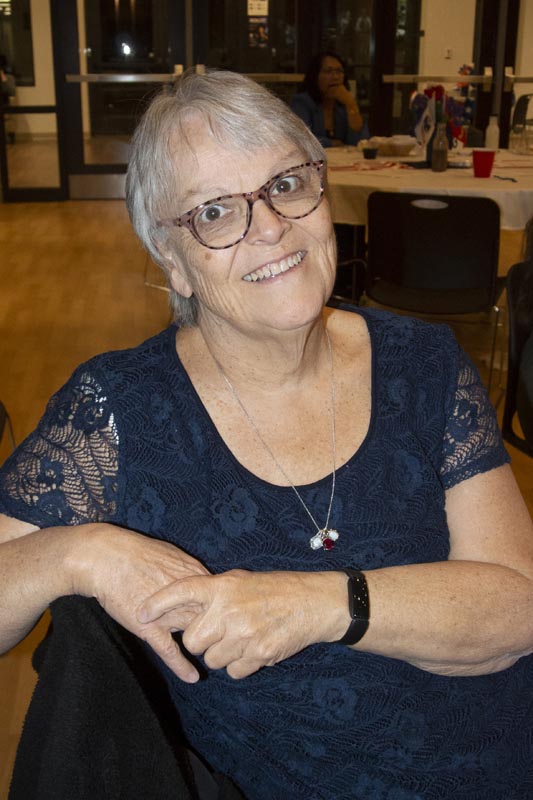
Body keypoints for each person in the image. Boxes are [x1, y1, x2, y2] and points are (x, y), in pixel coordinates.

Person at [1, 69, 533, 799]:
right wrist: (74, 552)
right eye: (215, 211)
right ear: (173, 262)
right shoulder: (119, 410)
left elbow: (517, 606)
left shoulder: (423, 364)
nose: (271, 226)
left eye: (285, 184)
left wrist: (312, 606)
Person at [290, 51, 367, 147]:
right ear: (315, 76)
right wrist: (331, 143)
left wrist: (351, 104)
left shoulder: (344, 104)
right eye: (328, 71)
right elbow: (301, 138)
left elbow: (360, 141)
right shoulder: (302, 102)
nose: (335, 77)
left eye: (339, 71)